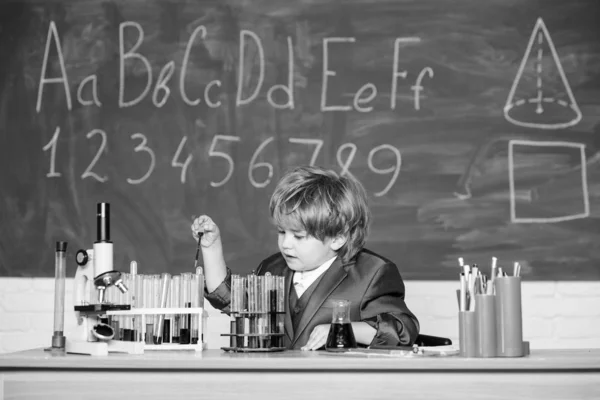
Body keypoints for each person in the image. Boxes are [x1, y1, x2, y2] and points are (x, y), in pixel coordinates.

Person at [191, 165, 419, 350]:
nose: (285, 244)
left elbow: (403, 329)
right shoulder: (273, 268)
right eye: (281, 232)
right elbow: (230, 299)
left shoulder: (372, 272)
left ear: (338, 238)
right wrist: (211, 249)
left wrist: (341, 328)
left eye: (299, 236)